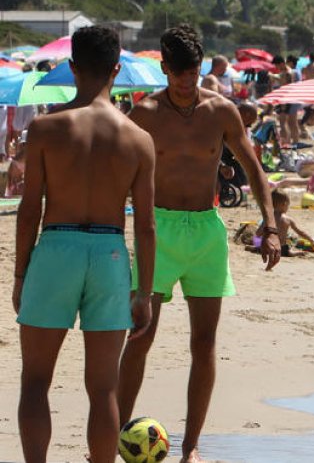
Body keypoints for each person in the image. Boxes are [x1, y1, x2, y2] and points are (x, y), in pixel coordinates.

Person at [118, 25, 280, 463]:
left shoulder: (222, 111)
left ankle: (191, 448)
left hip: (207, 231)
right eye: (178, 73)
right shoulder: (145, 113)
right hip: (159, 230)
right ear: (164, 69)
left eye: (193, 71)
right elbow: (115, 169)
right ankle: (116, 437)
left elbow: (253, 167)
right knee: (140, 335)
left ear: (201, 66)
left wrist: (271, 224)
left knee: (204, 343)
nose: (187, 81)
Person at [14, 26, 157, 463]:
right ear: (118, 69)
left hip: (57, 246)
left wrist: (21, 273)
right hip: (110, 252)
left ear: (71, 68)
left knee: (37, 380)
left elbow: (29, 209)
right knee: (103, 389)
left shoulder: (45, 128)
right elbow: (147, 226)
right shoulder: (139, 139)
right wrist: (145, 292)